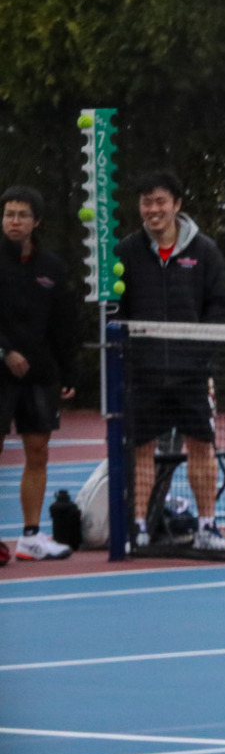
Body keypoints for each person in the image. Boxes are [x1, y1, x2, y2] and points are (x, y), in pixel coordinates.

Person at [116, 170, 225, 551]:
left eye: (160, 202)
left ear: (177, 205)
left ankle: (207, 527)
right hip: (143, 373)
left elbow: (220, 306)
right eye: (146, 202)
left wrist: (199, 353)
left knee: (201, 446)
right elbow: (113, 310)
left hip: (191, 374)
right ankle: (137, 529)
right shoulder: (125, 252)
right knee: (141, 449)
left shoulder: (204, 251)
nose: (153, 210)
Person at [1, 186, 79, 561]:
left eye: (21, 215)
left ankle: (31, 538)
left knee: (38, 452)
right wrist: (5, 352)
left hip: (40, 375)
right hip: (0, 373)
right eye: (8, 214)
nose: (13, 221)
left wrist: (69, 371)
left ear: (36, 222)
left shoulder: (52, 267)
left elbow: (63, 323)